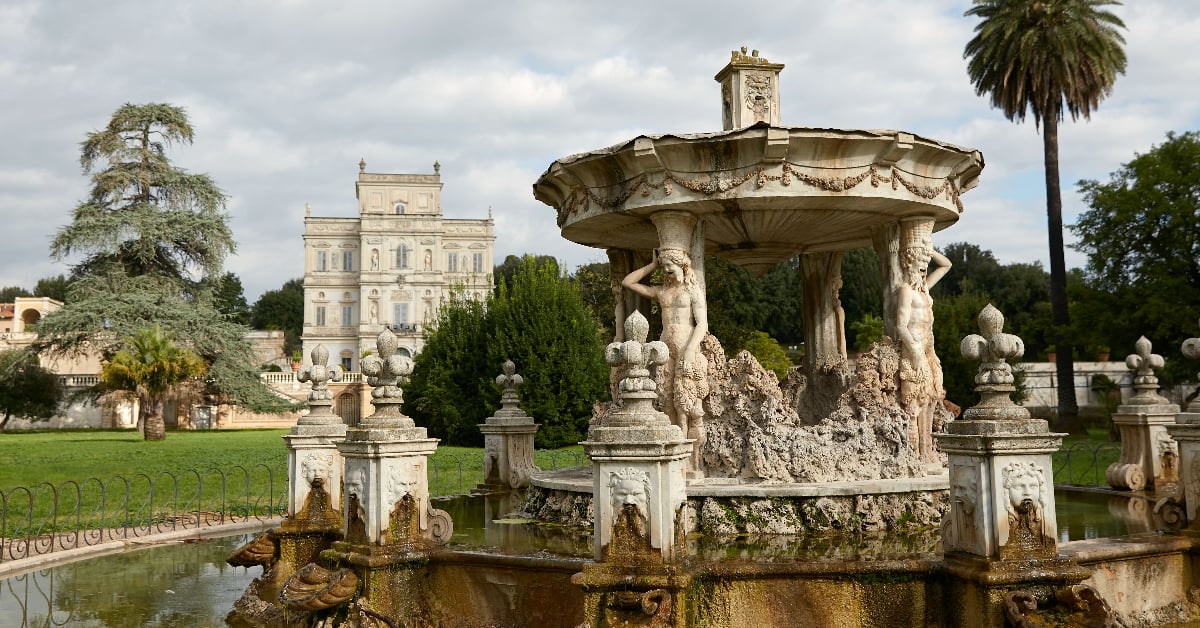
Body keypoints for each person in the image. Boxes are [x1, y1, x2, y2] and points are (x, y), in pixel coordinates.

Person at [622, 249, 709, 472]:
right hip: (665, 347)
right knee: (666, 399)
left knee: (686, 402)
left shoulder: (693, 291)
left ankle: (691, 461)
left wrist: (690, 349)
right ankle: (674, 453)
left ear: (683, 265)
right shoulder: (661, 291)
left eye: (669, 264)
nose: (666, 269)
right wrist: (652, 266)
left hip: (685, 345)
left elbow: (702, 324)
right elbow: (628, 282)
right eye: (664, 265)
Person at [895, 236, 951, 463]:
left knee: (931, 398)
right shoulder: (906, 291)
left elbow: (946, 265)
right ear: (908, 264)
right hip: (914, 350)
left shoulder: (925, 288)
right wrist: (916, 354)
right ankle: (913, 454)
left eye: (925, 262)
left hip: (929, 350)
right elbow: (900, 325)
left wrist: (930, 250)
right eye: (919, 261)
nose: (924, 265)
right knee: (914, 403)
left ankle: (926, 451)